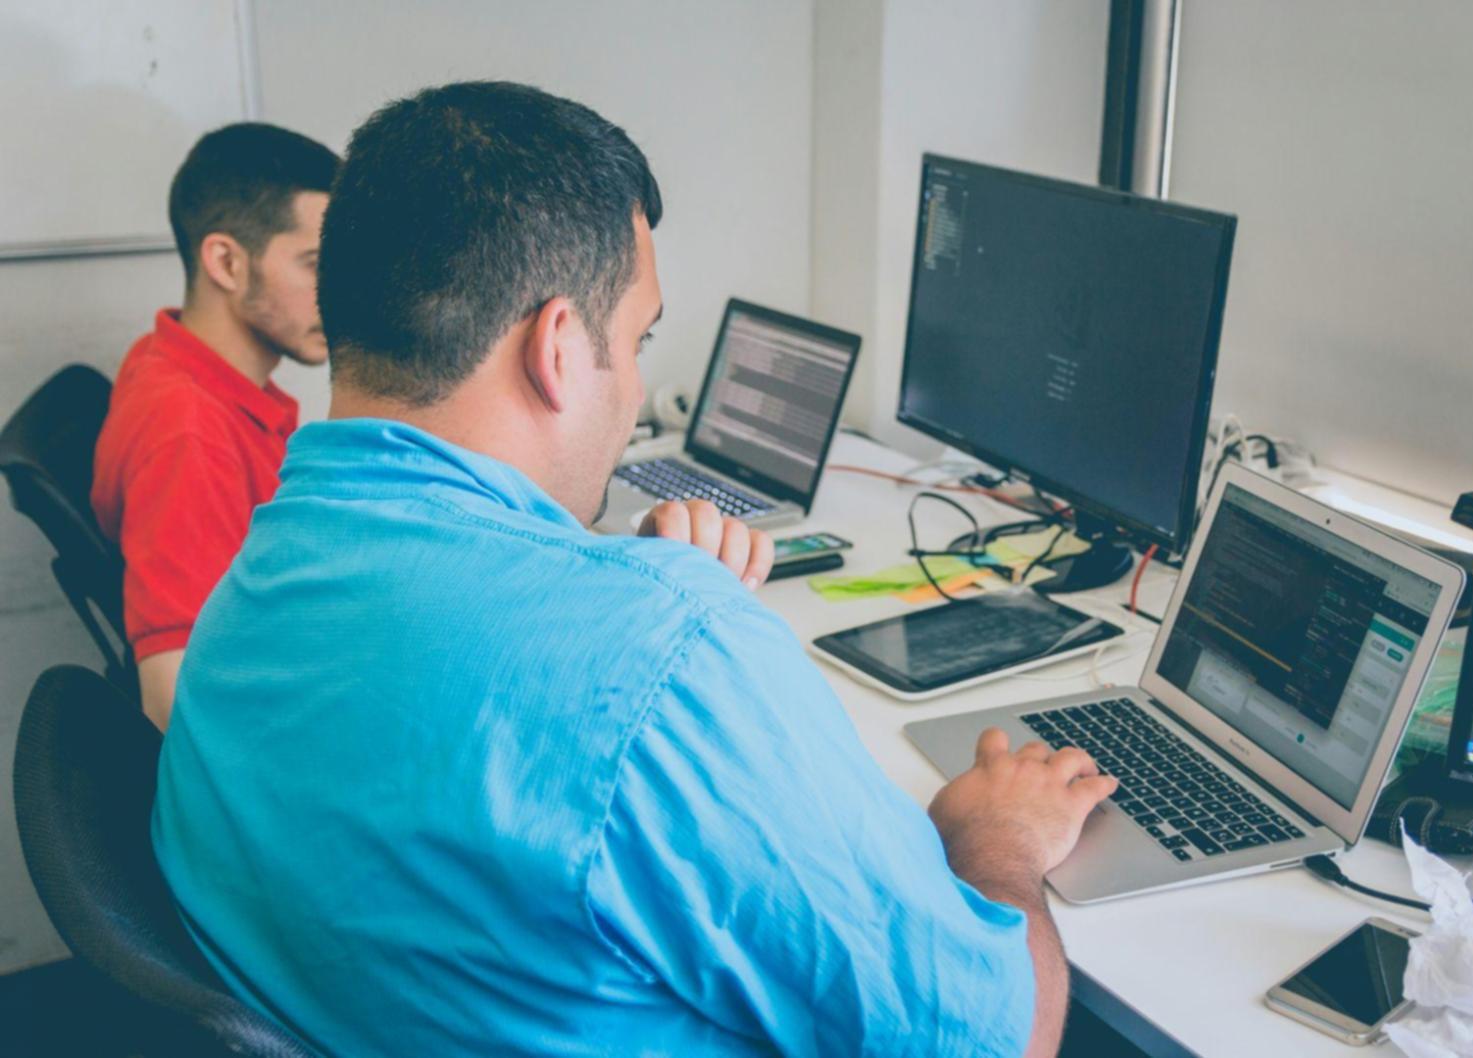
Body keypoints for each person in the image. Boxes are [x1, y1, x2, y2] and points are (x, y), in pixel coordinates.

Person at [152, 81, 1115, 1057]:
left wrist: (620, 606)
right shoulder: (662, 659)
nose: (640, 383)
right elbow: (996, 1039)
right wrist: (997, 841)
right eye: (637, 339)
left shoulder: (252, 578)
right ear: (559, 348)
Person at [91, 123, 339, 729]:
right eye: (315, 264)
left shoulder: (170, 357)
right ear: (226, 262)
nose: (339, 292)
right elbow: (170, 699)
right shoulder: (188, 435)